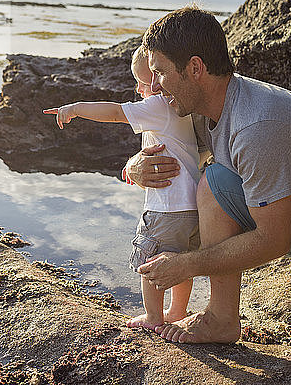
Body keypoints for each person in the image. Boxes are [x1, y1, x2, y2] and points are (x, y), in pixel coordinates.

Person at [127, 6, 291, 344]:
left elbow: (272, 240)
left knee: (214, 182)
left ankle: (221, 319)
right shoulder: (210, 102)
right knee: (220, 174)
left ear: (195, 68)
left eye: (160, 73)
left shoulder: (257, 125)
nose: (155, 86)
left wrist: (187, 264)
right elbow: (169, 148)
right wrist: (132, 167)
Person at [43, 46, 202, 331]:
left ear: (156, 81)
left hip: (165, 207)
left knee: (151, 260)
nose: (138, 88)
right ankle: (176, 310)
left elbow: (116, 112)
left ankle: (153, 317)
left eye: (141, 82)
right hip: (192, 207)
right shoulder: (184, 110)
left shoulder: (158, 105)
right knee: (179, 260)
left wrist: (76, 108)